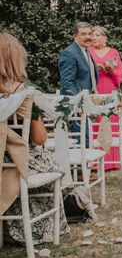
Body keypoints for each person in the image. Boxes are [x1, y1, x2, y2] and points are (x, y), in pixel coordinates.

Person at [1, 32, 70, 244]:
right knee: (53, 164)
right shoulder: (26, 93)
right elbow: (39, 138)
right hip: (19, 160)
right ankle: (37, 227)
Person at [89, 26, 122, 171]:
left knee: (109, 120)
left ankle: (111, 161)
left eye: (97, 35)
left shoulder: (113, 52)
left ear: (105, 38)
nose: (94, 37)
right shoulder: (88, 51)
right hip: (95, 87)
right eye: (93, 35)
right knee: (95, 120)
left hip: (109, 86)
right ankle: (95, 160)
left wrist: (110, 70)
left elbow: (120, 73)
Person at [58, 22, 99, 95]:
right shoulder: (69, 53)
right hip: (78, 102)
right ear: (74, 36)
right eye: (83, 34)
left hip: (89, 99)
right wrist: (78, 102)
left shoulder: (86, 51)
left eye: (89, 34)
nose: (88, 37)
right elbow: (67, 84)